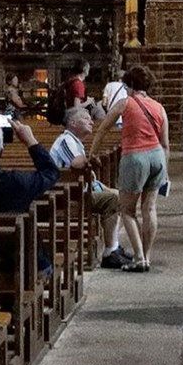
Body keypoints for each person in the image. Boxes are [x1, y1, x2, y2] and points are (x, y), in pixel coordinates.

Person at [92, 65, 170, 272]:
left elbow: (103, 128)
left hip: (135, 156)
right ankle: (148, 256)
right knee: (149, 208)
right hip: (157, 156)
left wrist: (92, 153)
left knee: (127, 209)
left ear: (131, 85)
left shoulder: (126, 103)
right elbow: (165, 143)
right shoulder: (159, 107)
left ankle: (139, 257)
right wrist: (165, 171)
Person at [50, 103, 124, 257]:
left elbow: (90, 178)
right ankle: (110, 252)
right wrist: (90, 158)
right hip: (66, 196)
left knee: (121, 197)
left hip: (77, 191)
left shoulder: (76, 142)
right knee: (112, 199)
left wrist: (107, 188)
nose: (91, 122)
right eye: (85, 119)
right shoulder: (66, 140)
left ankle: (114, 247)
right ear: (73, 123)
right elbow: (76, 163)